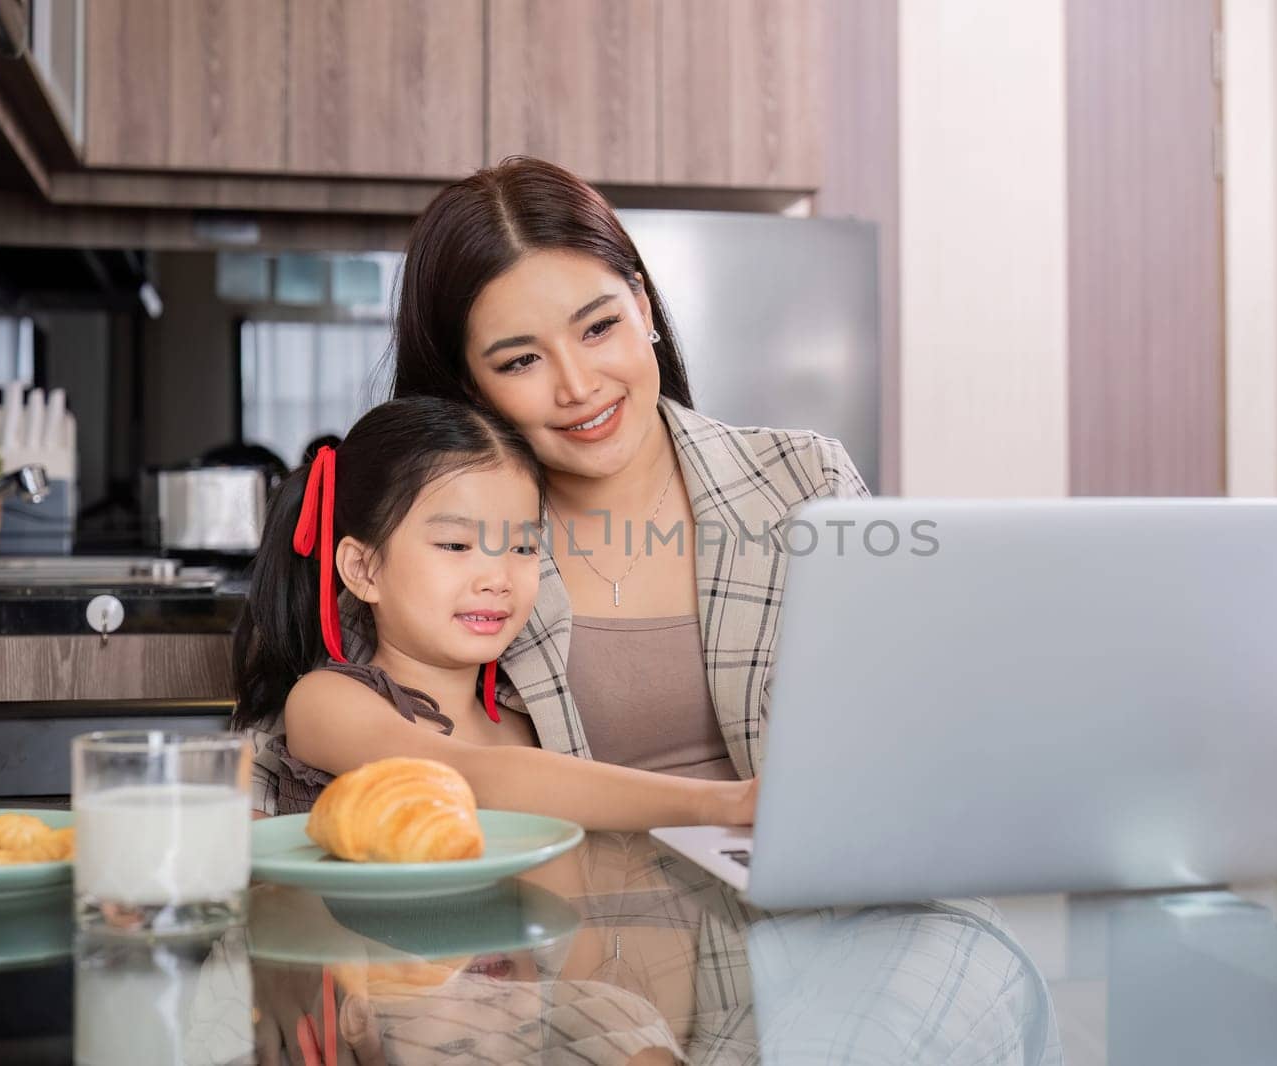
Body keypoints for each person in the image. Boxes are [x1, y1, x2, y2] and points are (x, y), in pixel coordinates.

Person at [390, 157, 870, 781]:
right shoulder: (427, 532)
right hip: (553, 880)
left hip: (783, 876)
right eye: (520, 362)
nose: (578, 387)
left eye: (598, 328)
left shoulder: (808, 483)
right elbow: (292, 761)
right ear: (471, 386)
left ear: (642, 308)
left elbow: (900, 722)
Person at [231, 395, 755, 830]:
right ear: (363, 569)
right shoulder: (329, 703)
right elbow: (472, 778)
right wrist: (724, 802)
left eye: (524, 549)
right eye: (457, 546)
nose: (497, 578)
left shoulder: (527, 718)